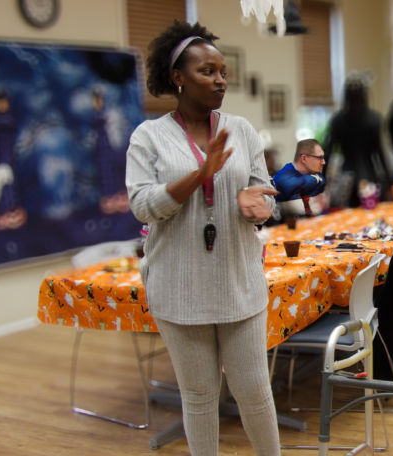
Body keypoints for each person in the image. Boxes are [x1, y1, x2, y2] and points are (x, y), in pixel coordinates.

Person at [125, 21, 281, 456]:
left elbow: (266, 194)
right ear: (178, 77)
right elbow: (143, 205)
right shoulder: (148, 137)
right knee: (198, 396)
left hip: (239, 282)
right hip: (179, 287)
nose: (219, 80)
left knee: (255, 391)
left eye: (223, 72)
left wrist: (257, 205)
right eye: (207, 71)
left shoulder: (241, 130)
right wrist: (199, 175)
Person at [322, 75, 390, 207]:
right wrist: (389, 179)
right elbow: (379, 152)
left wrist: (322, 179)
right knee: (371, 213)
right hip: (369, 179)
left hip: (346, 179)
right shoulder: (374, 119)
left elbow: (327, 152)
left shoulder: (338, 120)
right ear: (365, 95)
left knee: (347, 214)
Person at [273, 139, 326, 212]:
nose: (323, 162)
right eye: (319, 158)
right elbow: (302, 210)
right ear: (304, 159)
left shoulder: (311, 173)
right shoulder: (285, 179)